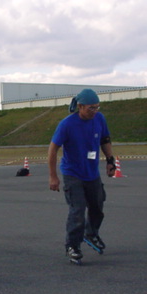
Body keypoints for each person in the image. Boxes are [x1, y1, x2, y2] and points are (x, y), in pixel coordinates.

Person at [48, 88, 116, 265]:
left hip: (92, 173)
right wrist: (53, 176)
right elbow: (53, 149)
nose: (95, 111)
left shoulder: (99, 119)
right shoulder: (67, 124)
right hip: (73, 173)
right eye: (91, 108)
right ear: (80, 106)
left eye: (97, 107)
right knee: (77, 210)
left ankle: (91, 233)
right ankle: (73, 246)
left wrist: (110, 161)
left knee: (97, 207)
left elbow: (105, 140)